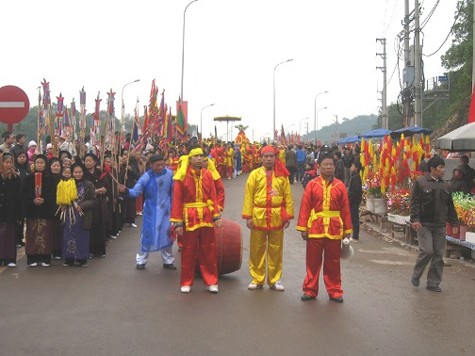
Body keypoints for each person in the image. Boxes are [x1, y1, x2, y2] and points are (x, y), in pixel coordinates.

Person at [296, 153, 353, 302]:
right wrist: (303, 228)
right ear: (319, 167)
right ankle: (310, 289)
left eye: (331, 165)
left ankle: (335, 290)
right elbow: (305, 207)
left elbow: (345, 209)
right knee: (312, 261)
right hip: (315, 228)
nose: (328, 167)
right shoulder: (312, 185)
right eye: (325, 164)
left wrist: (347, 230)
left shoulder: (340, 186)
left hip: (334, 229)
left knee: (333, 262)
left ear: (334, 167)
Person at [242, 145, 294, 291]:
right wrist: (248, 216)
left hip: (277, 216)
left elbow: (287, 196)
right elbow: (248, 196)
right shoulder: (254, 175)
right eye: (266, 156)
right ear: (261, 158)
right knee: (256, 248)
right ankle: (257, 279)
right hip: (258, 215)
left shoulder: (282, 175)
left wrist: (287, 215)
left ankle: (274, 279)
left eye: (272, 156)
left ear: (275, 157)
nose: (269, 158)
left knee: (276, 249)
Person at [171, 146, 222, 294]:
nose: (199, 158)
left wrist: (217, 216)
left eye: (201, 156)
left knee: (209, 249)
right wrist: (178, 222)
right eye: (196, 156)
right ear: (190, 159)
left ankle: (211, 281)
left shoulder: (208, 174)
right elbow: (177, 200)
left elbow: (213, 196)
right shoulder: (182, 176)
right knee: (188, 250)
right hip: (189, 216)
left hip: (206, 215)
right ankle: (186, 281)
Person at [118, 154, 176, 270]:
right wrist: (126, 190)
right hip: (151, 211)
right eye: (157, 165)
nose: (160, 167)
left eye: (162, 164)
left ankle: (168, 260)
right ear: (151, 165)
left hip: (166, 211)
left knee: (167, 235)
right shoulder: (146, 177)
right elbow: (135, 192)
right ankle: (141, 260)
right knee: (147, 235)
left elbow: (174, 191)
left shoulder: (170, 174)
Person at [410, 156, 458, 292]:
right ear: (432, 169)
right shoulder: (421, 183)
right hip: (424, 224)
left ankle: (433, 283)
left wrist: (454, 223)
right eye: (440, 167)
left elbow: (450, 205)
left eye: (443, 167)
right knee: (427, 251)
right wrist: (415, 219)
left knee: (438, 255)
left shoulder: (446, 185)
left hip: (440, 226)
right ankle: (417, 274)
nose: (443, 170)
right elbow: (414, 203)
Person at [22, 154, 58, 267]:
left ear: (45, 164)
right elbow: (24, 194)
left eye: (42, 163)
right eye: (37, 163)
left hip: (46, 210)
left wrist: (44, 200)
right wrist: (33, 200)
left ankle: (45, 257)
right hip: (32, 211)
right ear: (34, 164)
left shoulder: (51, 179)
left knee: (45, 234)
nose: (39, 165)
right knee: (32, 233)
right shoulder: (28, 178)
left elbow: (54, 194)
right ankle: (32, 257)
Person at [59, 164, 96, 267]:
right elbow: (63, 198)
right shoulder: (67, 184)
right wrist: (63, 204)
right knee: (68, 235)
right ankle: (69, 258)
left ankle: (82, 259)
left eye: (80, 172)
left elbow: (93, 201)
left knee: (82, 237)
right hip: (69, 215)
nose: (78, 174)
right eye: (75, 172)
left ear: (83, 172)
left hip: (83, 216)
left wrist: (82, 206)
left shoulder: (89, 184)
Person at [0, 153, 23, 267]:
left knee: (9, 235)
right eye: (6, 162)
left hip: (11, 211)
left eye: (10, 162)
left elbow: (19, 196)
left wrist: (19, 213)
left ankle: (9, 258)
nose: (8, 165)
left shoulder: (16, 178)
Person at [348, 160, 363, 242]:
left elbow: (355, 191)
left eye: (352, 166)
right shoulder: (354, 176)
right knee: (353, 218)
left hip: (354, 201)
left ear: (356, 168)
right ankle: (354, 235)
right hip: (353, 201)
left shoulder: (356, 178)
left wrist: (350, 200)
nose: (351, 168)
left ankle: (355, 236)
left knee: (355, 218)